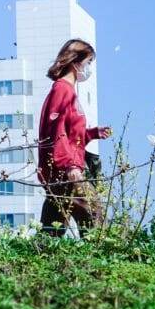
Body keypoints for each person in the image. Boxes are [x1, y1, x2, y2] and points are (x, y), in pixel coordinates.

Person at [36, 39, 112, 237]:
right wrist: (70, 165)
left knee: (52, 229)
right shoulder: (62, 90)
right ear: (75, 62)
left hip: (63, 171)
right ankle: (101, 263)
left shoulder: (68, 91)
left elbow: (71, 136)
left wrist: (92, 133)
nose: (89, 69)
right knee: (94, 218)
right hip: (66, 172)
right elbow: (57, 131)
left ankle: (42, 259)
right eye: (88, 62)